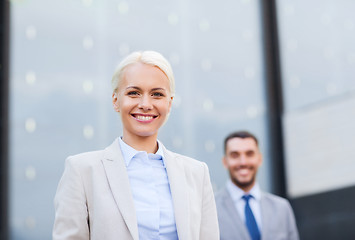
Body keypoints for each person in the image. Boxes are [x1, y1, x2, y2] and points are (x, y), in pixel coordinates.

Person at [53, 50, 219, 240]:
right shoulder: (82, 171)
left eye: (157, 94)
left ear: (170, 103)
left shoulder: (197, 173)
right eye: (134, 93)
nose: (145, 104)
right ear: (116, 100)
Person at [215, 131, 299, 240]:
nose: (243, 162)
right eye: (235, 155)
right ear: (225, 162)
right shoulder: (212, 209)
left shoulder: (281, 208)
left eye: (249, 154)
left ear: (259, 159)